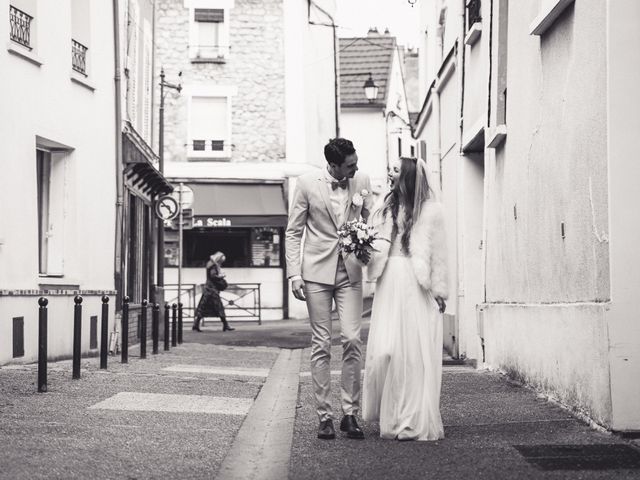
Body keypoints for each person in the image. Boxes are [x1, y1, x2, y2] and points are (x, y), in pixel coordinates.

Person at [285, 137, 375, 440]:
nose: (356, 167)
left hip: (350, 271)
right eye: (350, 165)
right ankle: (325, 416)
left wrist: (367, 246)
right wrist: (294, 275)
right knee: (321, 344)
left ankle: (350, 414)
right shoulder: (307, 183)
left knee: (352, 339)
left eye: (356, 162)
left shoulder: (361, 179)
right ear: (334, 165)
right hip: (315, 274)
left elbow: (371, 221)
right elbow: (293, 232)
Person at [362, 157, 448, 441]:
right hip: (389, 281)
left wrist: (439, 291)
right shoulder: (383, 208)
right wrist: (359, 245)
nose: (390, 172)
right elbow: (373, 245)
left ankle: (410, 420)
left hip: (415, 283)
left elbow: (439, 254)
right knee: (385, 351)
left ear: (408, 177)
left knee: (412, 355)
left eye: (396, 169)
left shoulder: (432, 212)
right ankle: (392, 413)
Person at [192, 252, 235, 332]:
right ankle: (225, 325)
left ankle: (196, 325)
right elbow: (213, 276)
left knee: (203, 307)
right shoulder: (213, 266)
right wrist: (221, 276)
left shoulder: (210, 264)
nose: (221, 263)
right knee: (219, 307)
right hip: (212, 290)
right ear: (218, 259)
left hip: (208, 289)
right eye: (221, 261)